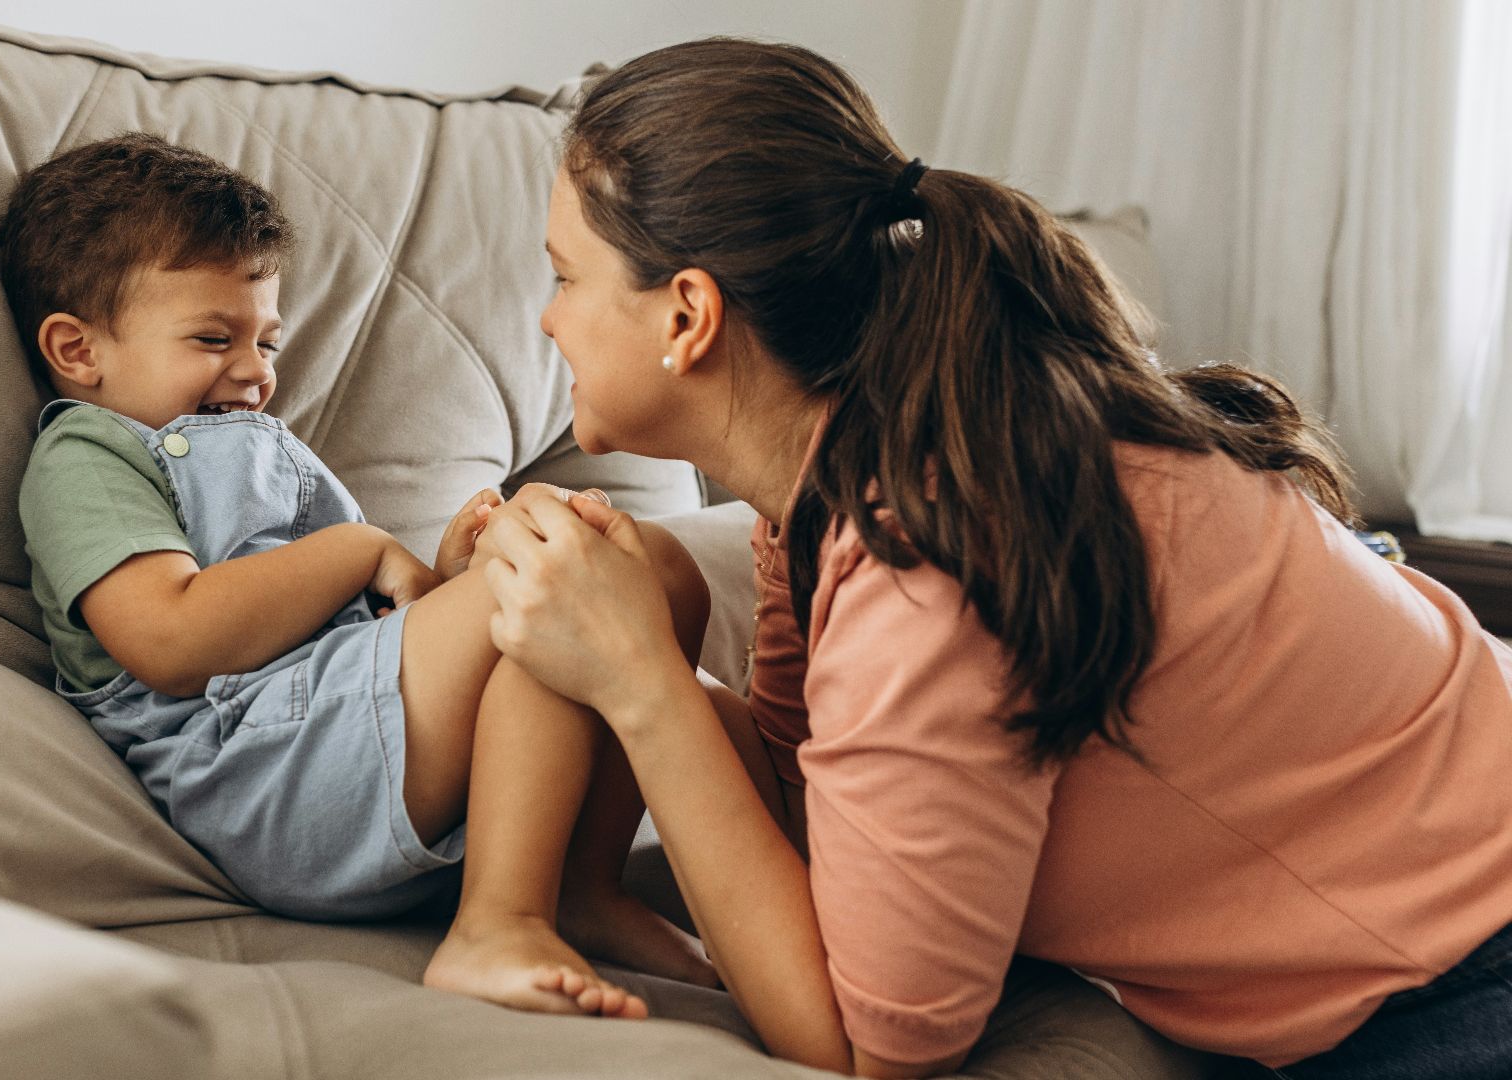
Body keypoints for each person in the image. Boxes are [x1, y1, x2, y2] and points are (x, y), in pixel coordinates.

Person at [468, 38, 1512, 1080]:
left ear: (688, 315)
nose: (550, 318)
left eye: (565, 275)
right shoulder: (843, 487)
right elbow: (812, 813)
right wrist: (635, 656)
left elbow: (871, 1044)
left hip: (1469, 966)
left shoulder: (935, 553)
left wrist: (644, 682)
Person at [0, 133, 720, 1018]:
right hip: (261, 773)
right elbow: (170, 638)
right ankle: (494, 923)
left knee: (650, 568)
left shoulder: (248, 442)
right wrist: (359, 549)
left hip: (348, 731)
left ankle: (578, 881)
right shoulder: (88, 452)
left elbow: (363, 626)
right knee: (558, 578)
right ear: (77, 351)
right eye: (212, 337)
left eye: (267, 341)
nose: (255, 373)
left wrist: (443, 575)